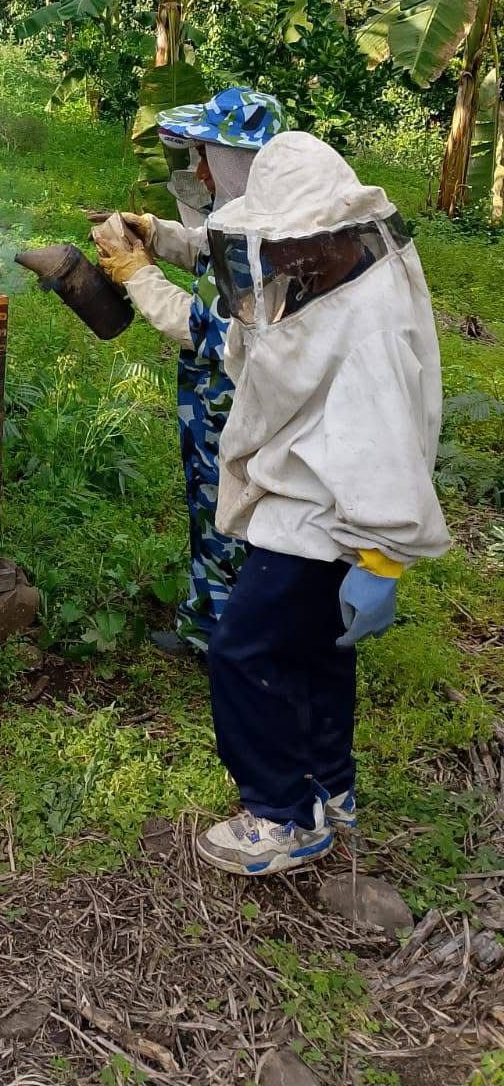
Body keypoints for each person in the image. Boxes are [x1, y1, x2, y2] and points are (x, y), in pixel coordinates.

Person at [195, 131, 449, 875]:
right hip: (314, 500)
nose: (280, 255)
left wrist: (382, 561)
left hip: (323, 520)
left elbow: (390, 440)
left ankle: (281, 817)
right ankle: (330, 790)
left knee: (243, 654)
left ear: (332, 230)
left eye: (291, 240)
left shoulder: (371, 323)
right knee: (314, 657)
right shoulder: (333, 275)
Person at [92, 87, 287, 655]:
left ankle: (228, 641)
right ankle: (209, 621)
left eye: (208, 156)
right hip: (214, 397)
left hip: (235, 403)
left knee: (229, 512)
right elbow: (210, 246)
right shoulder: (253, 216)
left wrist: (137, 273)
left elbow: (201, 326)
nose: (200, 170)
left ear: (238, 162)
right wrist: (156, 233)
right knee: (210, 506)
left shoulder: (267, 243)